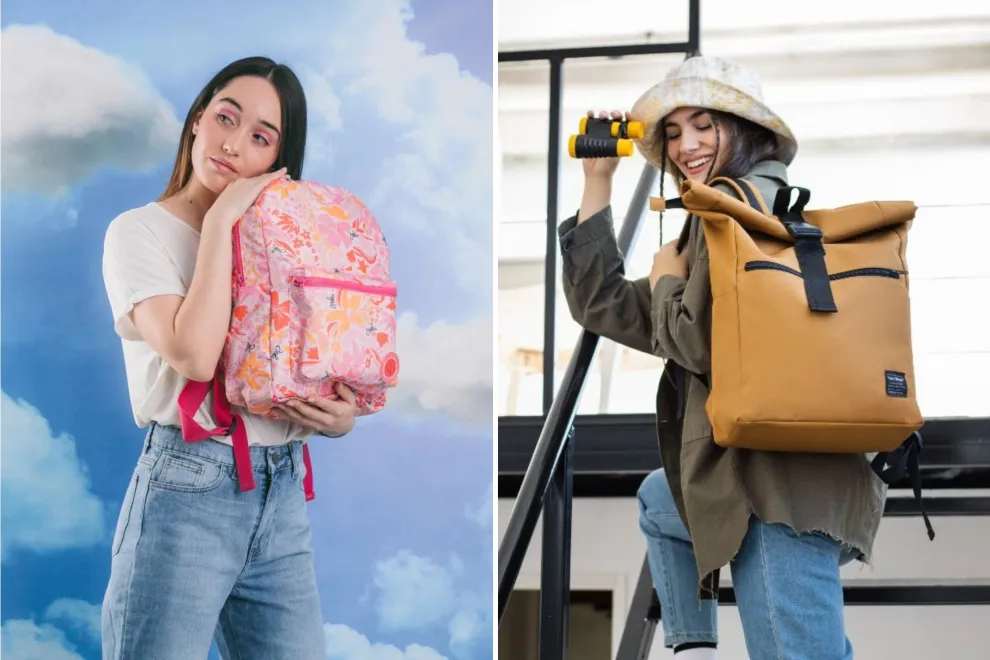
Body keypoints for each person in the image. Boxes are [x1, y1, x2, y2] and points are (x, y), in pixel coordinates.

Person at [559, 56, 883, 660]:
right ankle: (694, 647)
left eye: (704, 125)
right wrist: (597, 179)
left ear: (744, 129)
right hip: (769, 478)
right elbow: (602, 303)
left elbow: (698, 343)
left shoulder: (738, 212)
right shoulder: (728, 215)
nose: (686, 146)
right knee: (663, 499)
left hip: (774, 491)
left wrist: (662, 281)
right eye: (674, 132)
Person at [101, 56, 355, 660]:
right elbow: (192, 355)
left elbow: (310, 365)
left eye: (261, 137)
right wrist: (221, 224)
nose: (234, 144)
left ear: (277, 162)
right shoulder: (138, 233)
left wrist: (338, 417)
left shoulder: (293, 250)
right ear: (196, 121)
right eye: (225, 118)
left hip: (283, 490)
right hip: (186, 491)